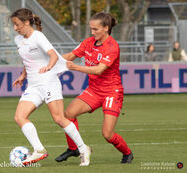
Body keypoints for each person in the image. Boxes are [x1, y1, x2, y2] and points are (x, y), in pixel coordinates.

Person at [10, 8, 91, 166]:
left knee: (59, 119)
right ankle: (39, 150)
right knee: (19, 117)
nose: (15, 28)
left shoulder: (38, 36)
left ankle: (83, 148)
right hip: (33, 86)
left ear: (26, 22)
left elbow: (53, 55)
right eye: (13, 25)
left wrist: (49, 66)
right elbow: (28, 59)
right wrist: (23, 75)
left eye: (17, 24)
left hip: (48, 81)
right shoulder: (18, 40)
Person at [55, 12, 134, 164]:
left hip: (112, 92)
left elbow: (99, 69)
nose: (92, 32)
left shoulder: (112, 46)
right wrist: (50, 61)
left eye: (95, 29)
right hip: (94, 90)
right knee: (69, 114)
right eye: (91, 29)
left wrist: (76, 68)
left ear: (106, 28)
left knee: (107, 134)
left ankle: (127, 153)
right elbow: (71, 56)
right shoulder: (88, 42)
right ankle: (74, 148)